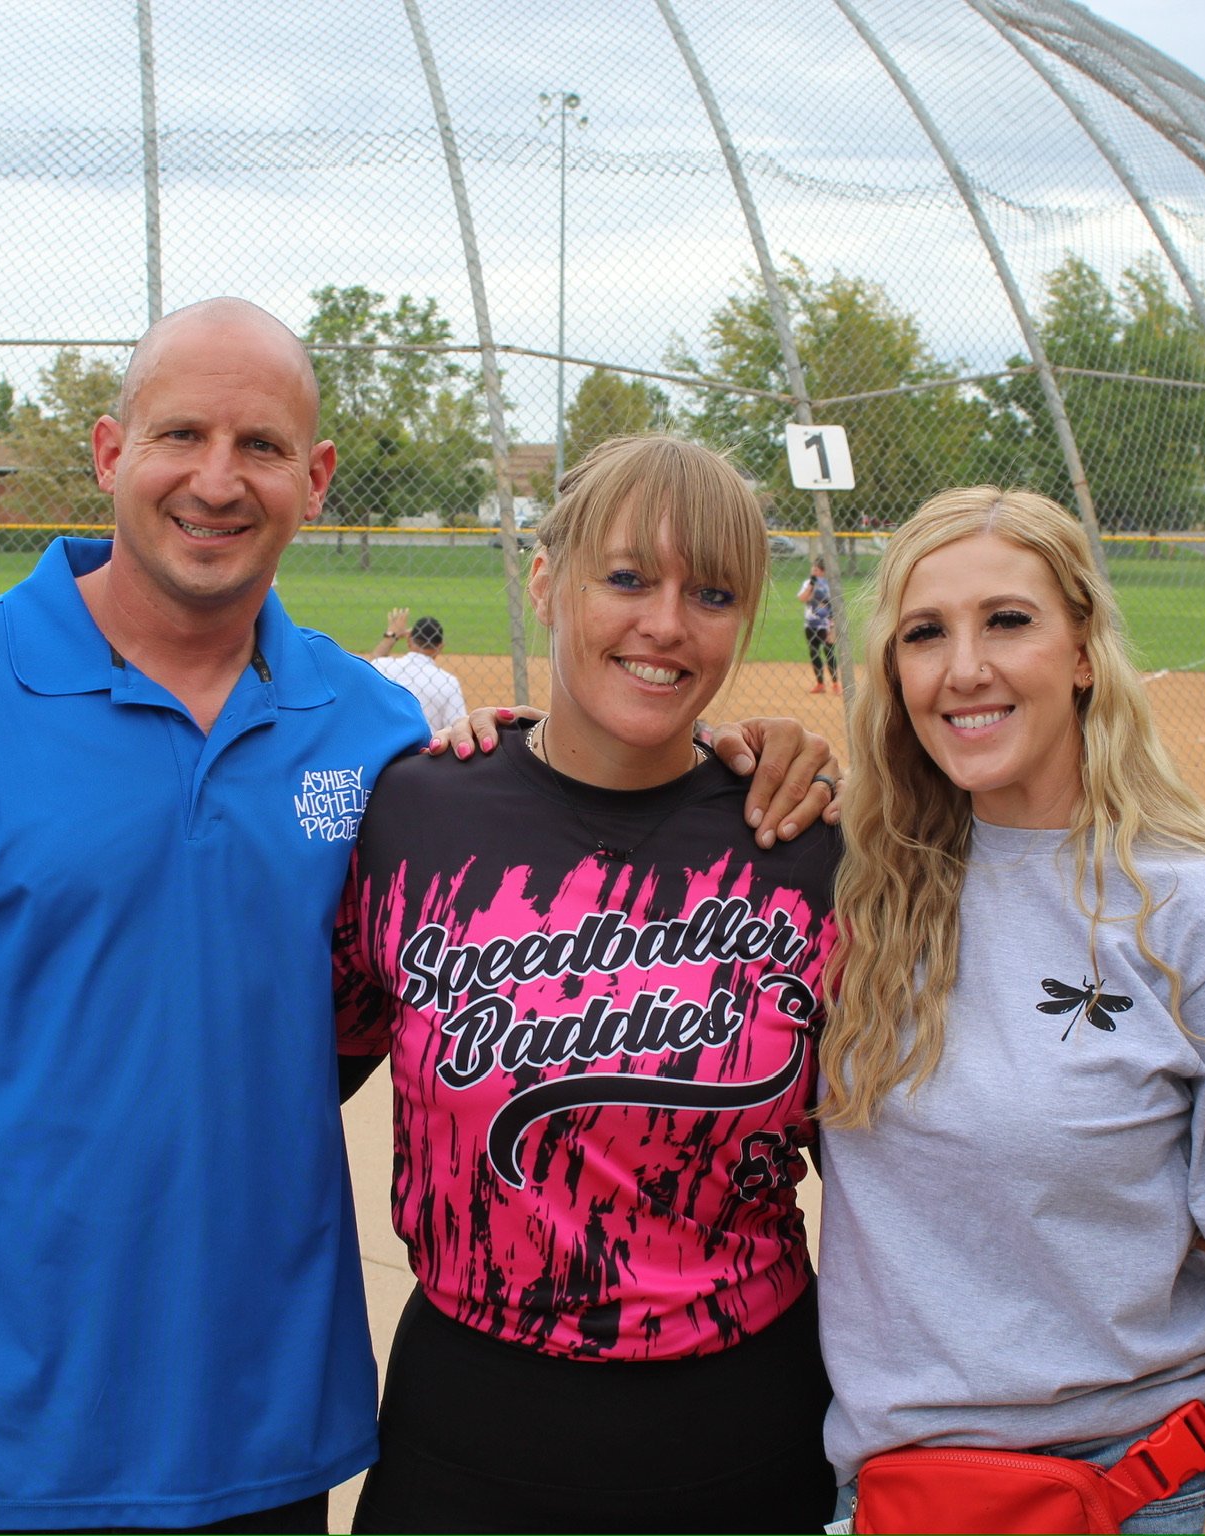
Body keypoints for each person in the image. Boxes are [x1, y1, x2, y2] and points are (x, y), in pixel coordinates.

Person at [0, 299, 837, 1536]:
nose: (216, 480)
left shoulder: (382, 741)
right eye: (180, 435)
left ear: (317, 476)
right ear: (110, 453)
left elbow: (434, 942)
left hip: (259, 1444)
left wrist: (743, 755)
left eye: (260, 446)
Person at [335, 435, 840, 1533]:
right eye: (626, 578)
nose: (667, 623)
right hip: (468, 1430)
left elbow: (890, 1176)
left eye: (712, 594)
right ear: (545, 582)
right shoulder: (414, 815)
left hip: (743, 1426)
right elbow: (297, 1075)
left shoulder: (804, 844)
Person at [815, 487, 1205, 1536]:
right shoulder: (864, 888)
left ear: (1086, 651)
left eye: (1008, 621)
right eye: (925, 633)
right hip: (888, 1499)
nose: (965, 668)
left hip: (1129, 1495)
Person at [365, 607, 468, 734]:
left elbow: (367, 668)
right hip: (425, 745)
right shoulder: (448, 682)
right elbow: (457, 728)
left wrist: (391, 635)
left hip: (386, 743)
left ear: (409, 640)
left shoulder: (381, 665)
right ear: (440, 647)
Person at [799, 557, 840, 694]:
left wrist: (833, 627)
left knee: (829, 653)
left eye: (816, 570)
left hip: (826, 625)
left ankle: (835, 683)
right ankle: (820, 683)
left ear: (823, 571)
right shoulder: (808, 583)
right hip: (810, 624)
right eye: (813, 569)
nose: (813, 572)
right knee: (814, 652)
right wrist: (811, 585)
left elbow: (835, 606)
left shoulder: (830, 585)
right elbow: (802, 598)